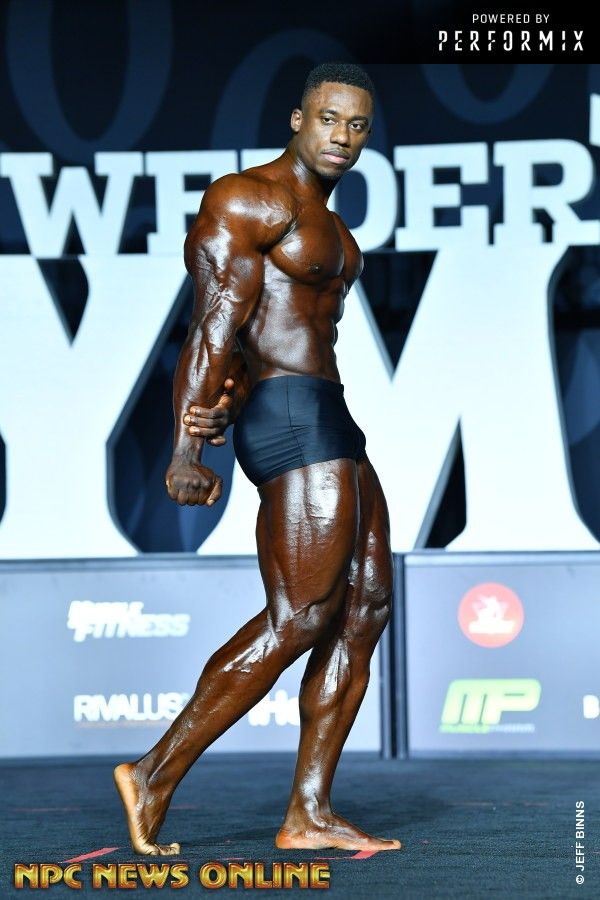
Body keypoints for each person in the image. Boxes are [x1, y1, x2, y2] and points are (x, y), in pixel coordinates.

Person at [114, 62, 400, 855]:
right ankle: (153, 773)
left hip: (329, 415)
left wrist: (228, 399)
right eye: (329, 119)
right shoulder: (249, 200)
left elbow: (276, 336)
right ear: (297, 120)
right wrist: (186, 446)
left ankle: (308, 813)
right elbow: (214, 323)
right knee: (300, 614)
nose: (343, 136)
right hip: (290, 419)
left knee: (366, 605)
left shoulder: (338, 235)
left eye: (358, 126)